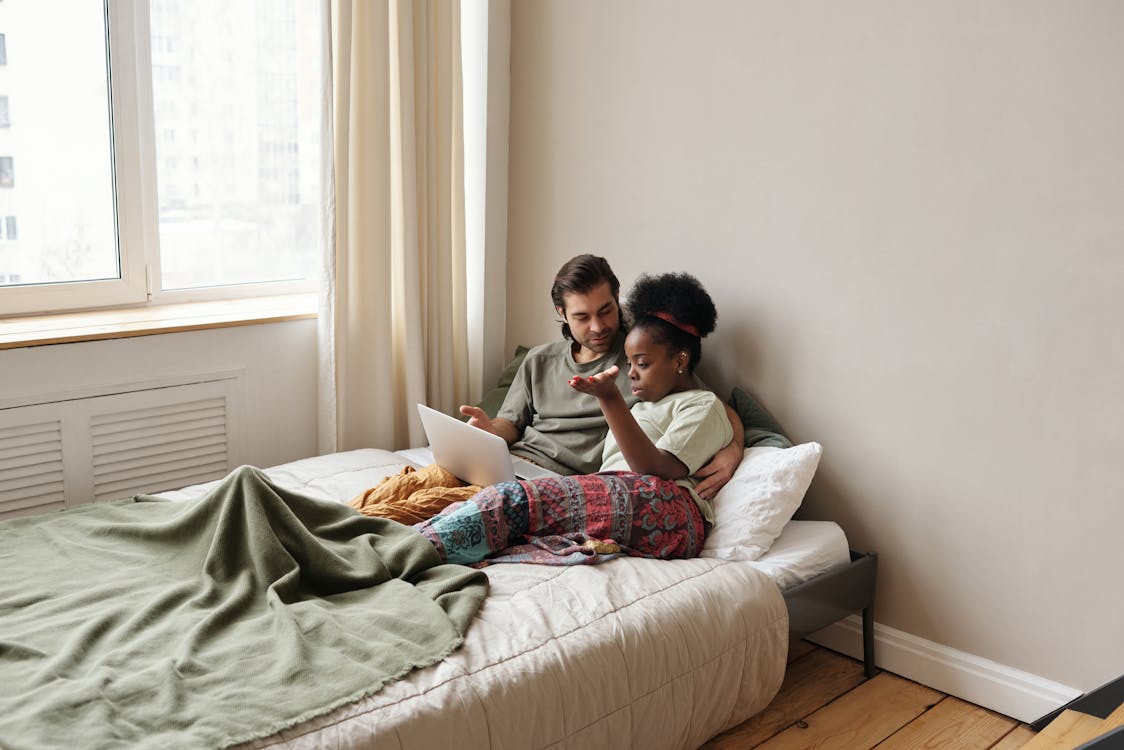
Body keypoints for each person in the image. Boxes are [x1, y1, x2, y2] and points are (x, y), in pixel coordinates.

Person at [349, 255, 744, 522]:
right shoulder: (539, 360)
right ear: (562, 314)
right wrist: (487, 432)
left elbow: (713, 407)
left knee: (419, 511)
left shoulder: (643, 359)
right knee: (399, 489)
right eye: (582, 316)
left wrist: (733, 449)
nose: (598, 326)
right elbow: (510, 425)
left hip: (552, 483)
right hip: (505, 463)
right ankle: (321, 528)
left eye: (606, 310)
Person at [415, 272, 733, 565]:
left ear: (680, 360)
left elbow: (656, 470)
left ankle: (405, 555)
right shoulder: (643, 405)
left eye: (642, 364)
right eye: (630, 363)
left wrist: (610, 399)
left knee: (508, 501)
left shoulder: (701, 404)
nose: (631, 372)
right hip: (624, 496)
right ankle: (412, 545)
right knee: (479, 513)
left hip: (671, 511)